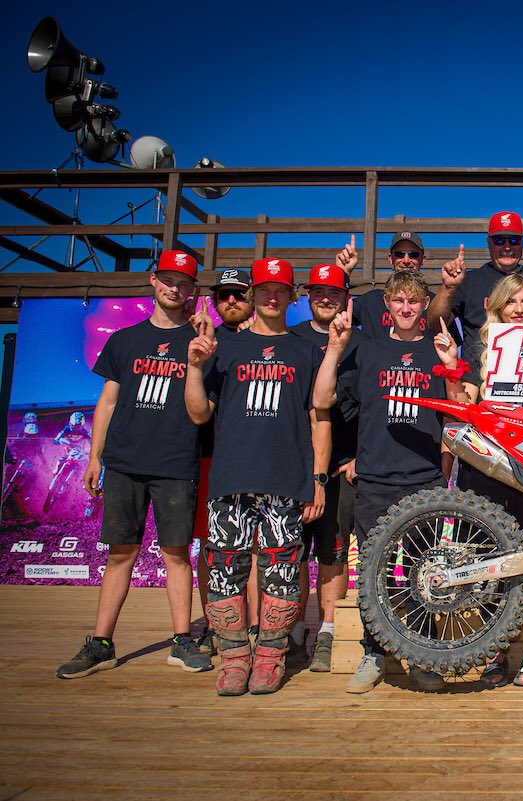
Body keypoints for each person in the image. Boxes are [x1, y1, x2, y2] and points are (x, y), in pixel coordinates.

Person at [56, 250, 211, 679]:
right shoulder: (124, 340)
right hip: (124, 462)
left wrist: (204, 348)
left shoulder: (200, 343)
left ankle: (182, 640)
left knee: (177, 554)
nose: (174, 288)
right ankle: (101, 642)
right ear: (153, 281)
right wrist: (94, 456)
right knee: (121, 554)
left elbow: (202, 411)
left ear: (193, 290)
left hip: (176, 462)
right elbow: (107, 400)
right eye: (167, 280)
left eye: (183, 283)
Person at [185, 257, 331, 696]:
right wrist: (194, 367)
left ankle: (270, 657)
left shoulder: (306, 350)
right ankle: (232, 660)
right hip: (232, 479)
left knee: (283, 574)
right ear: (253, 296)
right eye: (263, 289)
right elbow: (197, 413)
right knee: (225, 571)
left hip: (285, 481)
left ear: (291, 297)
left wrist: (318, 479)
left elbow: (319, 418)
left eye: (280, 290)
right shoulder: (224, 348)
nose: (271, 296)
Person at [313, 270, 462, 694]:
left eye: (413, 302)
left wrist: (450, 367)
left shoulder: (437, 350)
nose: (405, 309)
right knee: (374, 573)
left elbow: (458, 412)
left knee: (422, 572)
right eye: (398, 301)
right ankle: (374, 652)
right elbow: (323, 401)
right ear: (387, 307)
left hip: (423, 480)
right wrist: (335, 347)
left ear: (423, 306)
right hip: (375, 479)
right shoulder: (367, 350)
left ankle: (419, 654)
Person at [451, 273, 523, 690]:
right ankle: (495, 651)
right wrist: (455, 371)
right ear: (497, 307)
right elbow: (462, 403)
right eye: (510, 302)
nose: (518, 309)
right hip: (488, 467)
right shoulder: (478, 347)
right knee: (488, 561)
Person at [288, 264, 361, 672]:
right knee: (296, 555)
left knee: (333, 552)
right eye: (318, 291)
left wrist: (360, 455)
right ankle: (298, 629)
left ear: (346, 295)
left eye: (334, 291)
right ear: (307, 294)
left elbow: (372, 405)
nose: (326, 298)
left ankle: (329, 631)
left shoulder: (360, 342)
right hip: (295, 467)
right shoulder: (291, 338)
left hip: (340, 468)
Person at [193, 268, 254, 655]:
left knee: (254, 547)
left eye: (238, 294)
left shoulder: (264, 340)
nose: (230, 301)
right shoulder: (200, 341)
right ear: (214, 301)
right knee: (210, 546)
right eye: (223, 295)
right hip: (207, 455)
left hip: (251, 455)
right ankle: (215, 625)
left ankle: (250, 626)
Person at [428, 211, 523, 349]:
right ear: (488, 242)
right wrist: (448, 287)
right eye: (499, 241)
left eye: (514, 240)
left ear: (522, 243)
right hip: (477, 367)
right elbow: (436, 323)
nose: (507, 247)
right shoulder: (469, 281)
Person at [334, 231, 432, 338]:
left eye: (413, 254)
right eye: (399, 254)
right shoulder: (371, 301)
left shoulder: (436, 304)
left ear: (422, 259)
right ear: (390, 258)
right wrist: (342, 274)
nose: (406, 260)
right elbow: (333, 316)